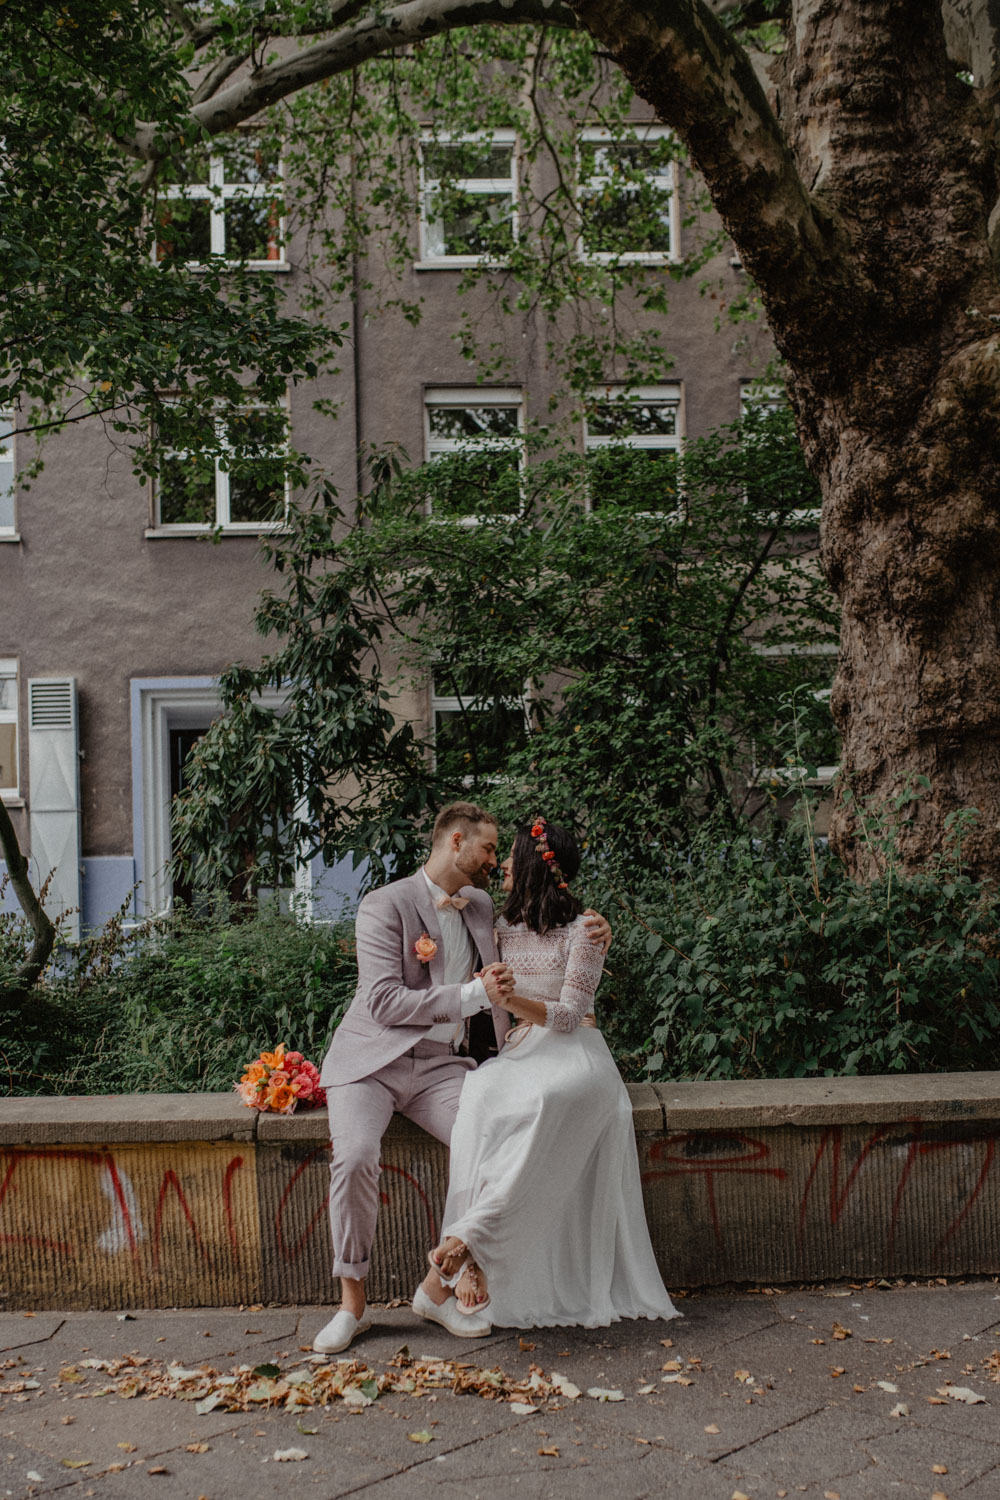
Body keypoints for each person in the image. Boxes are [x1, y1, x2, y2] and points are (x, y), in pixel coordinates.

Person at [312, 801, 611, 1354]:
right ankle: (351, 1304)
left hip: (440, 1068)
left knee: (494, 1142)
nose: (495, 860)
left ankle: (453, 1277)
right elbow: (381, 1001)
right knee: (354, 1157)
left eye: (500, 852)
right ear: (455, 841)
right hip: (370, 1065)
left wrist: (595, 930)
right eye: (489, 848)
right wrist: (473, 994)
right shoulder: (385, 904)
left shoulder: (479, 907)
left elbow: (540, 939)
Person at [420, 817, 678, 1330]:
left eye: (512, 855)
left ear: (537, 863)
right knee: (483, 1100)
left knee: (548, 1101)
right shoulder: (497, 926)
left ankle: (465, 1243)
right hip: (521, 1051)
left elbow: (569, 1012)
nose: (504, 864)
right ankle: (465, 1254)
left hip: (577, 1054)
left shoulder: (586, 930)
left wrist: (509, 998)